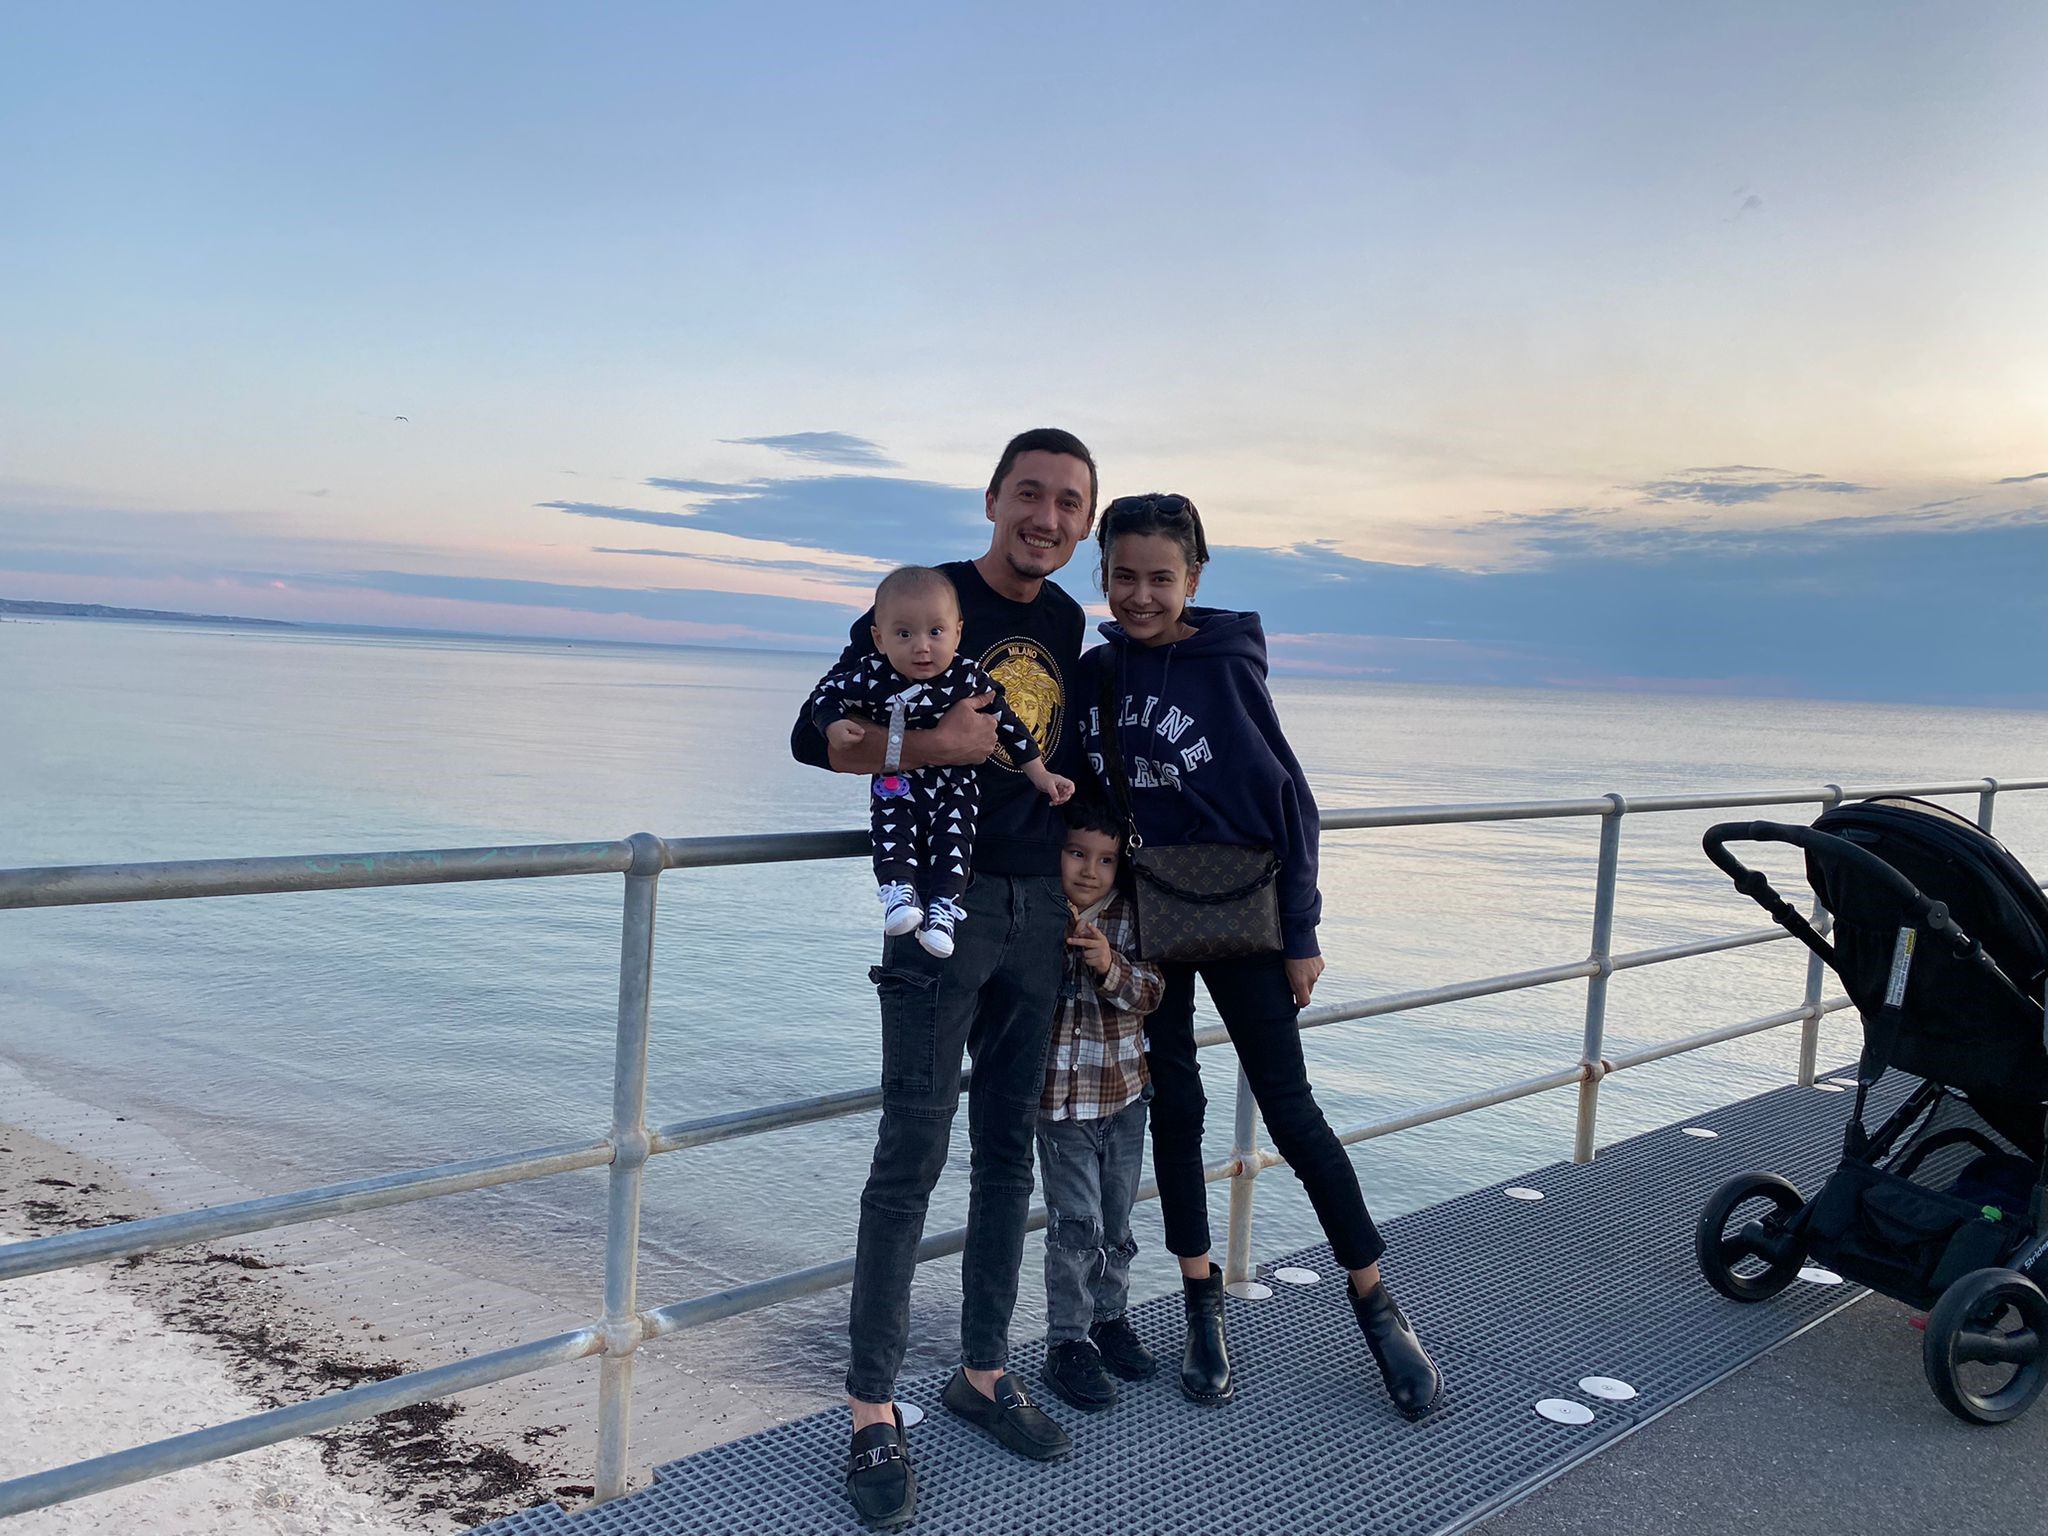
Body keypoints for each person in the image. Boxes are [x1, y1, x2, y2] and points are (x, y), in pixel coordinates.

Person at [1073, 492, 1444, 1421]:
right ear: (1103, 576)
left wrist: (1304, 933)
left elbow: (1293, 803)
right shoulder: (1098, 672)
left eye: (1161, 577)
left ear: (1194, 578)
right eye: (1124, 576)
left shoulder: (1227, 663)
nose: (1142, 595)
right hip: (1144, 914)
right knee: (1178, 1109)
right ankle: (1202, 1304)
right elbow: (1067, 775)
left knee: (1292, 1109)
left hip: (1243, 912)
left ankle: (1377, 1304)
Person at [788, 428, 1097, 1530]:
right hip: (940, 920)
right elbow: (810, 737)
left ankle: (978, 1375)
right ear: (992, 498)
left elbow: (1064, 757)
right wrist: (931, 752)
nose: (1046, 518)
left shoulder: (1065, 623)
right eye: (1030, 494)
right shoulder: (915, 605)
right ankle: (872, 1411)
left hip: (1036, 913)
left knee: (1006, 1154)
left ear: (1084, 521)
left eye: (1068, 503)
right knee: (907, 1160)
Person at [809, 565, 1075, 957]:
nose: (922, 647)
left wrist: (1040, 773)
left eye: (936, 633)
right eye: (905, 634)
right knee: (890, 832)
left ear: (957, 634)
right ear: (879, 639)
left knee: (954, 842)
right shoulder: (870, 676)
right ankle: (899, 895)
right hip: (898, 782)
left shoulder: (966, 676)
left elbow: (1010, 725)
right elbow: (824, 697)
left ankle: (943, 912)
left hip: (956, 787)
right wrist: (833, 725)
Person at [1035, 797, 1165, 1412]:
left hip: (1125, 1096)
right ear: (1056, 853)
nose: (1090, 870)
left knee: (1118, 1219)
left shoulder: (1131, 917)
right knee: (1075, 1226)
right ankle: (1067, 1341)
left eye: (1106, 859)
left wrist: (1110, 965)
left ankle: (1112, 1319)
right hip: (1061, 1105)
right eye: (1077, 854)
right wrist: (1059, 953)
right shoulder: (1038, 911)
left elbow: (1153, 991)